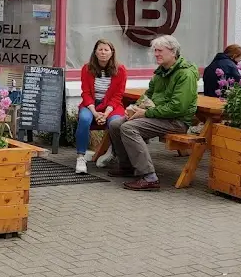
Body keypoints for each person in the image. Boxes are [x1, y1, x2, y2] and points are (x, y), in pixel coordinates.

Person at [107, 35, 198, 191]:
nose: (156, 54)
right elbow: (148, 95)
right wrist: (135, 108)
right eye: (155, 51)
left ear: (173, 51)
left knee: (129, 128)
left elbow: (178, 108)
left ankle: (149, 177)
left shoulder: (185, 74)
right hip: (158, 115)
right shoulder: (161, 72)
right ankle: (128, 166)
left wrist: (145, 113)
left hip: (176, 121)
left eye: (160, 51)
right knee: (115, 124)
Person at [75, 40, 127, 174]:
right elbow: (85, 93)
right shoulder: (87, 68)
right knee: (85, 119)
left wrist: (106, 113)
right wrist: (94, 112)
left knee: (115, 123)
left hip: (111, 105)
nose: (103, 53)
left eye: (106, 50)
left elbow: (118, 95)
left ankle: (112, 152)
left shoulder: (120, 70)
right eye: (100, 50)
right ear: (95, 52)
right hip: (91, 104)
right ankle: (81, 157)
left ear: (112, 53)